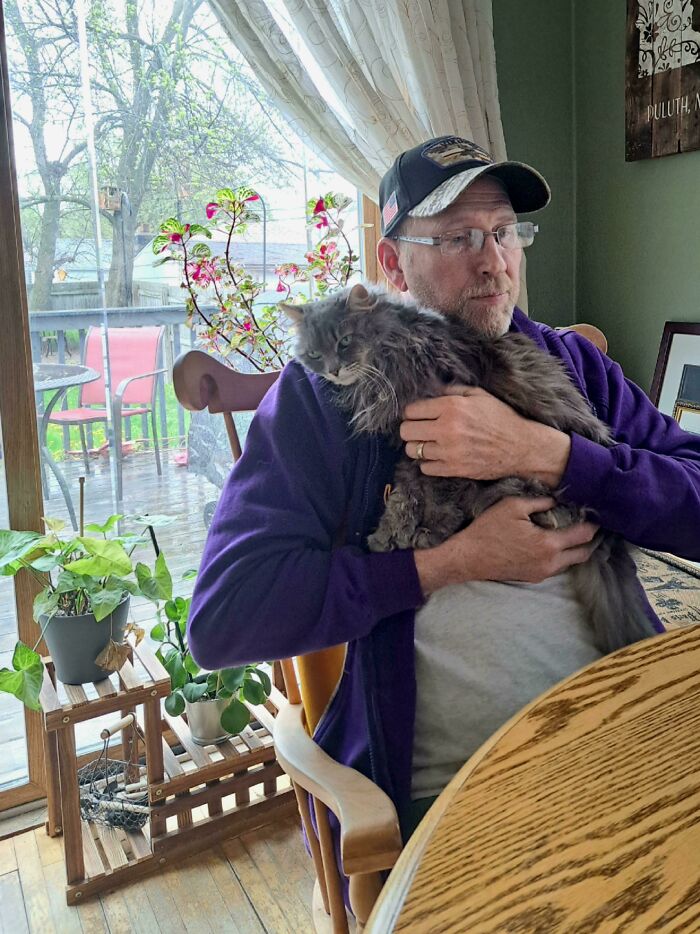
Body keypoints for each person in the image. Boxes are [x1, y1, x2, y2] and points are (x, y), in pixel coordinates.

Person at [188, 136, 700, 846]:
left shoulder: (572, 364)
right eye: (459, 237)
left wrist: (551, 455)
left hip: (620, 736)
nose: (493, 262)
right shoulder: (327, 400)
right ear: (393, 263)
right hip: (458, 794)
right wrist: (450, 563)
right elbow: (225, 618)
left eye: (503, 232)